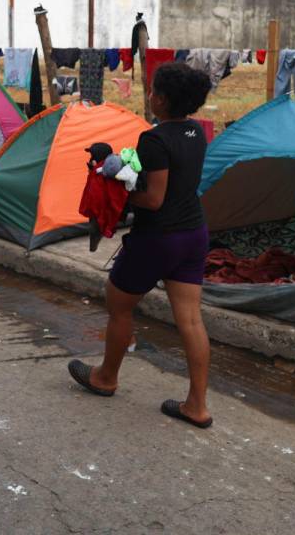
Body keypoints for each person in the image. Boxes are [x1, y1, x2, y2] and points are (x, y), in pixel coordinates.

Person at [67, 62, 215, 429]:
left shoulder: (155, 139)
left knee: (118, 306)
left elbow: (154, 200)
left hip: (157, 238)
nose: (149, 95)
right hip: (192, 234)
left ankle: (105, 377)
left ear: (161, 99)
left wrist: (116, 192)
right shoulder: (196, 131)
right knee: (192, 321)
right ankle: (197, 406)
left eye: (151, 90)